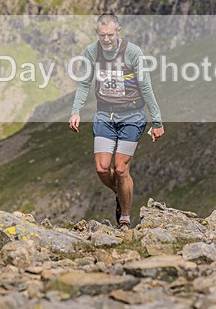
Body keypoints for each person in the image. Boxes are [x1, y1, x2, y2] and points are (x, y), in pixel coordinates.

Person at [68, 13, 164, 231]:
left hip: (132, 116)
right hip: (105, 115)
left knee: (121, 169)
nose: (107, 40)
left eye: (110, 35)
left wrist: (157, 121)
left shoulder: (132, 52)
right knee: (102, 169)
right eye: (102, 35)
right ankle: (121, 193)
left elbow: (146, 87)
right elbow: (84, 84)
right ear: (97, 34)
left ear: (118, 32)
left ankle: (125, 218)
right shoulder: (92, 52)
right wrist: (76, 111)